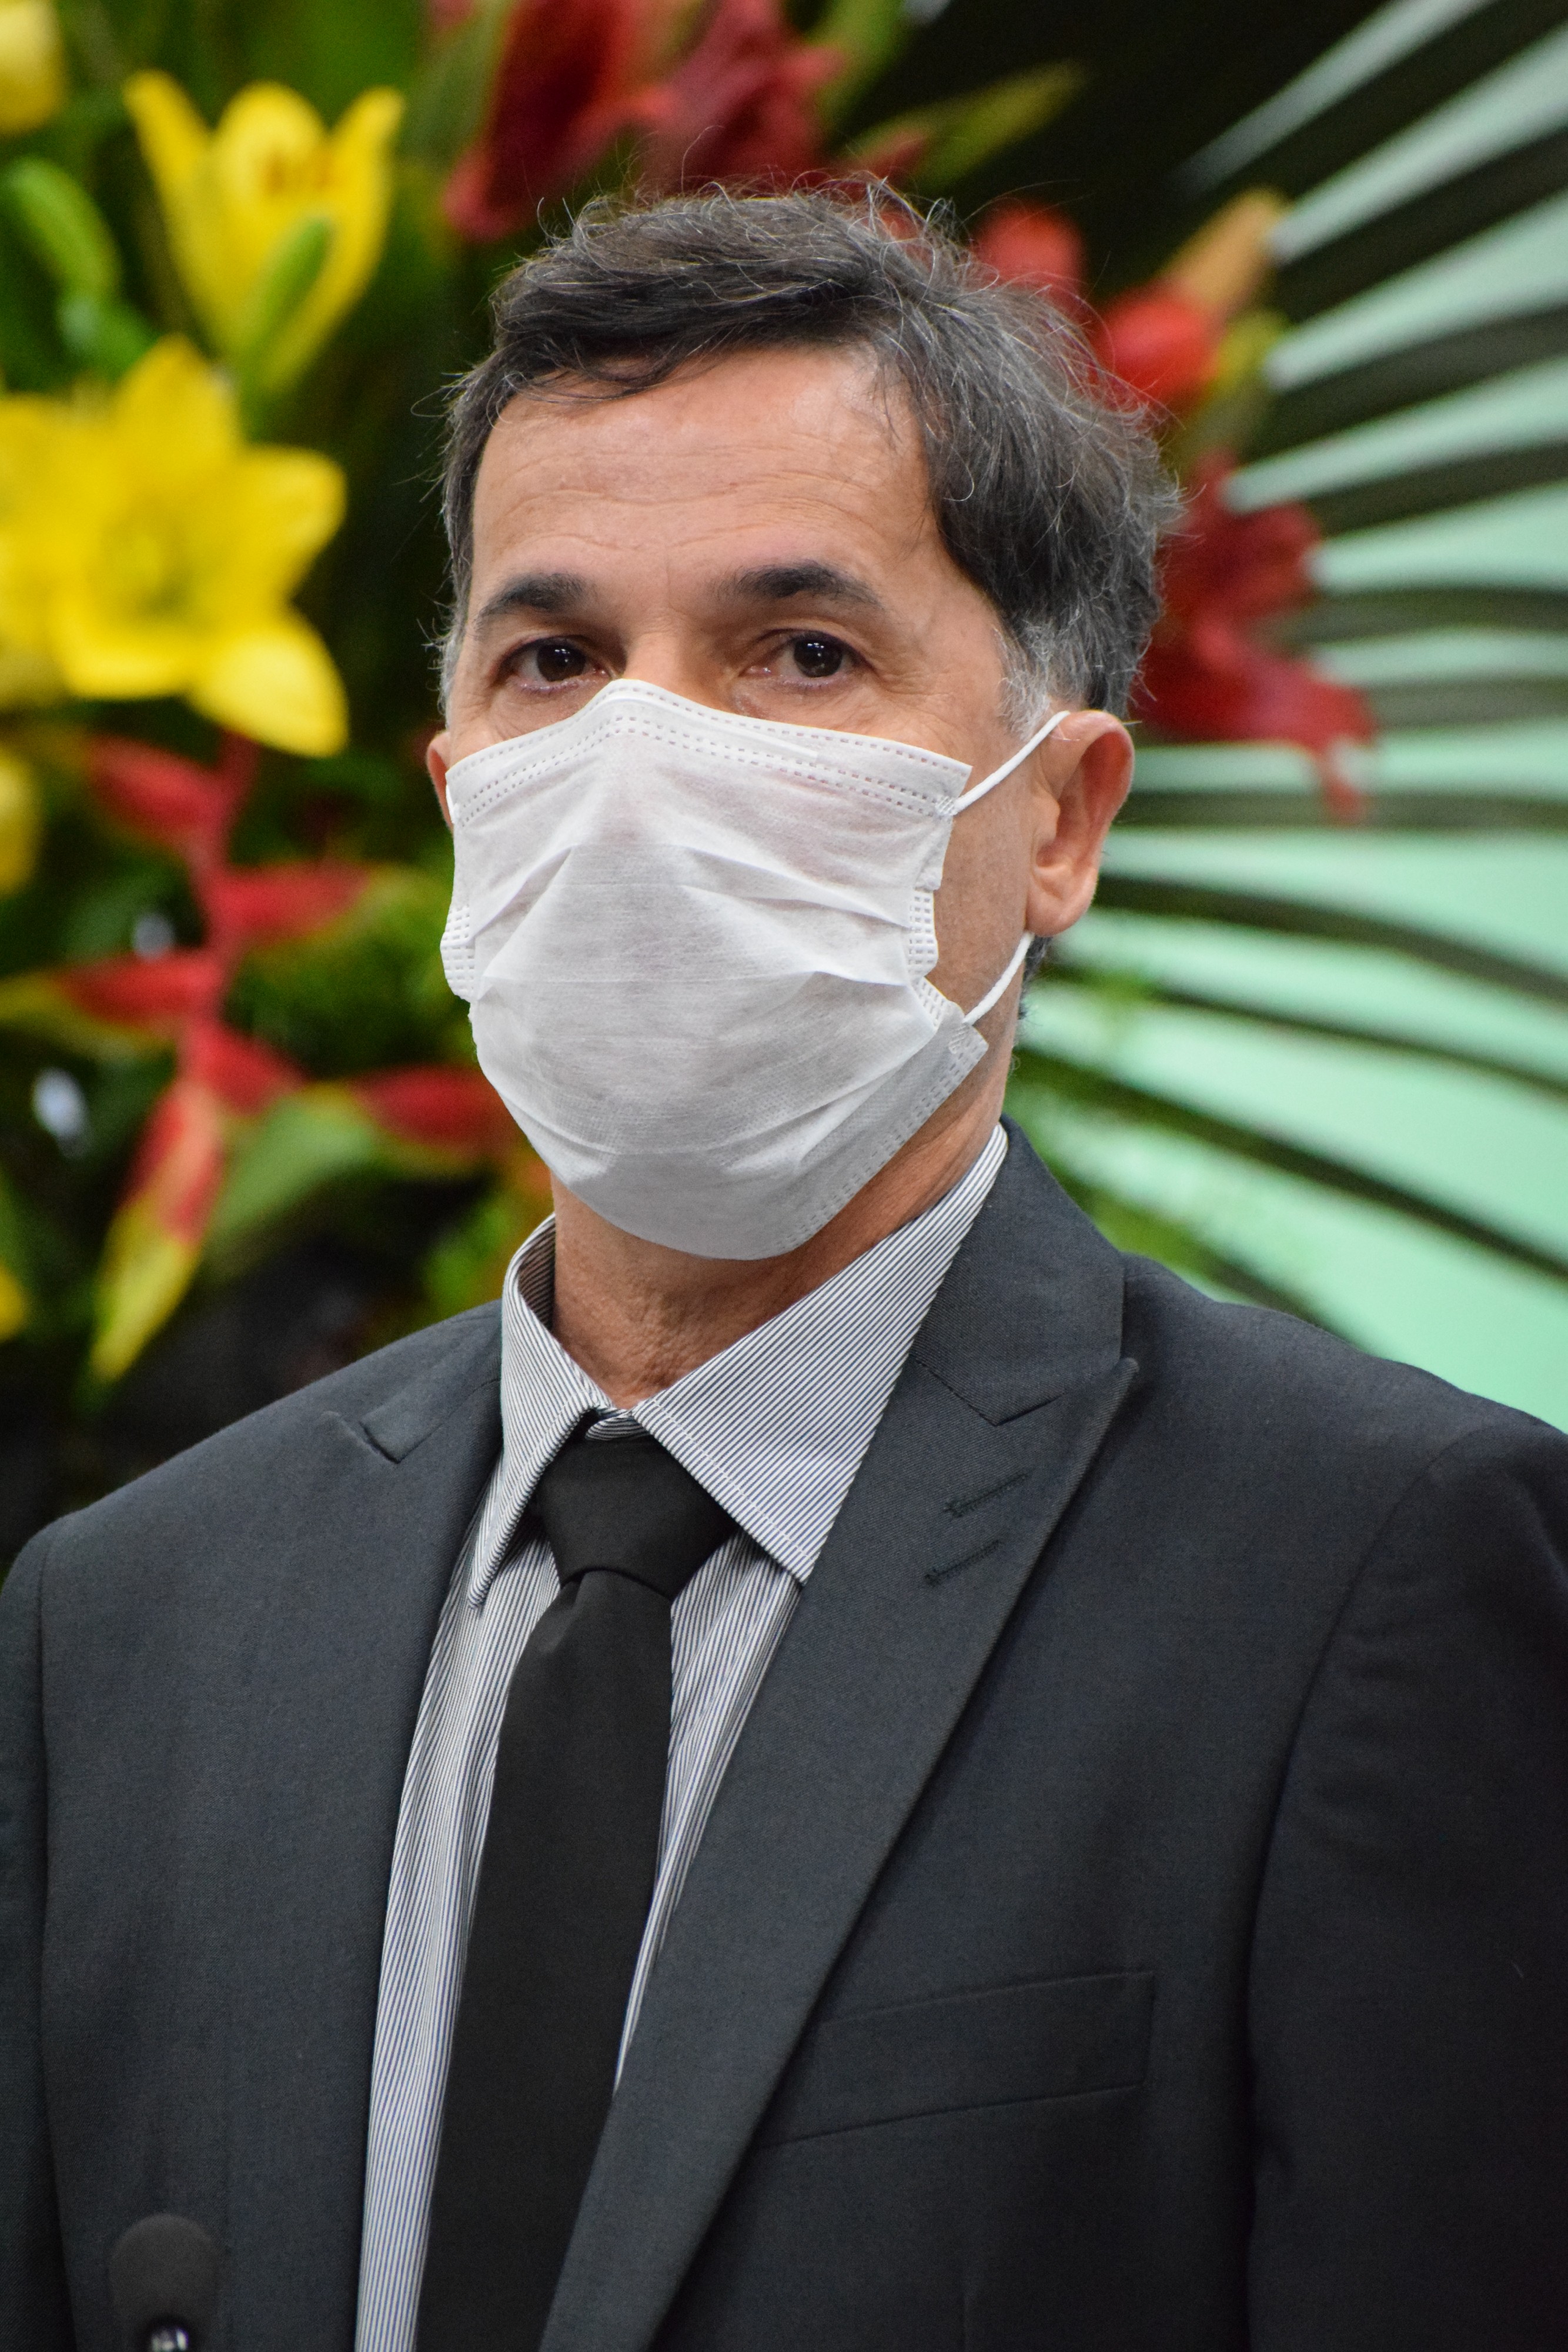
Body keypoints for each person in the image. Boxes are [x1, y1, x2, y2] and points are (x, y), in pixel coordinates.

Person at [2, 188, 1566, 2352]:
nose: (639, 766)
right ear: (455, 789)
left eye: (798, 653)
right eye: (554, 661)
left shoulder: (1359, 1581)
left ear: (1058, 819)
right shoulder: (129, 1622)